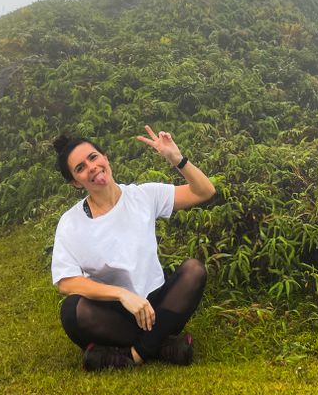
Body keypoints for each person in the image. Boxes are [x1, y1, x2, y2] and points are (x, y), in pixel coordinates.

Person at [51, 125, 216, 371]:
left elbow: (204, 191)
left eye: (93, 157)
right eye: (80, 168)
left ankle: (133, 355)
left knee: (194, 270)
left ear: (105, 157)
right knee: (73, 311)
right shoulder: (71, 222)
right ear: (76, 182)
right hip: (115, 313)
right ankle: (164, 344)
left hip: (156, 306)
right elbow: (66, 282)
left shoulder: (143, 196)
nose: (92, 167)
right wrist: (122, 294)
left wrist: (177, 159)